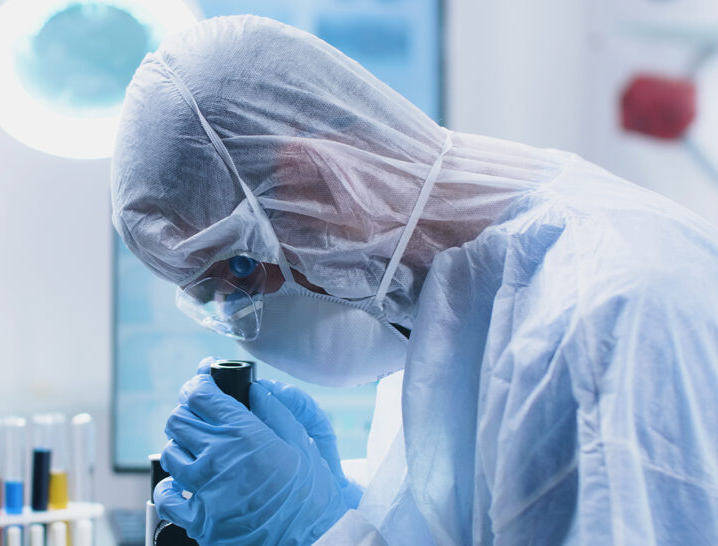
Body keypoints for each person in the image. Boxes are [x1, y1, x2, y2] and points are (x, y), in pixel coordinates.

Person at [111, 15, 718, 545]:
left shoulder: (597, 321)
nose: (244, 323)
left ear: (317, 180)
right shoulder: (451, 318)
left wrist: (305, 530)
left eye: (239, 274)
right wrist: (354, 516)